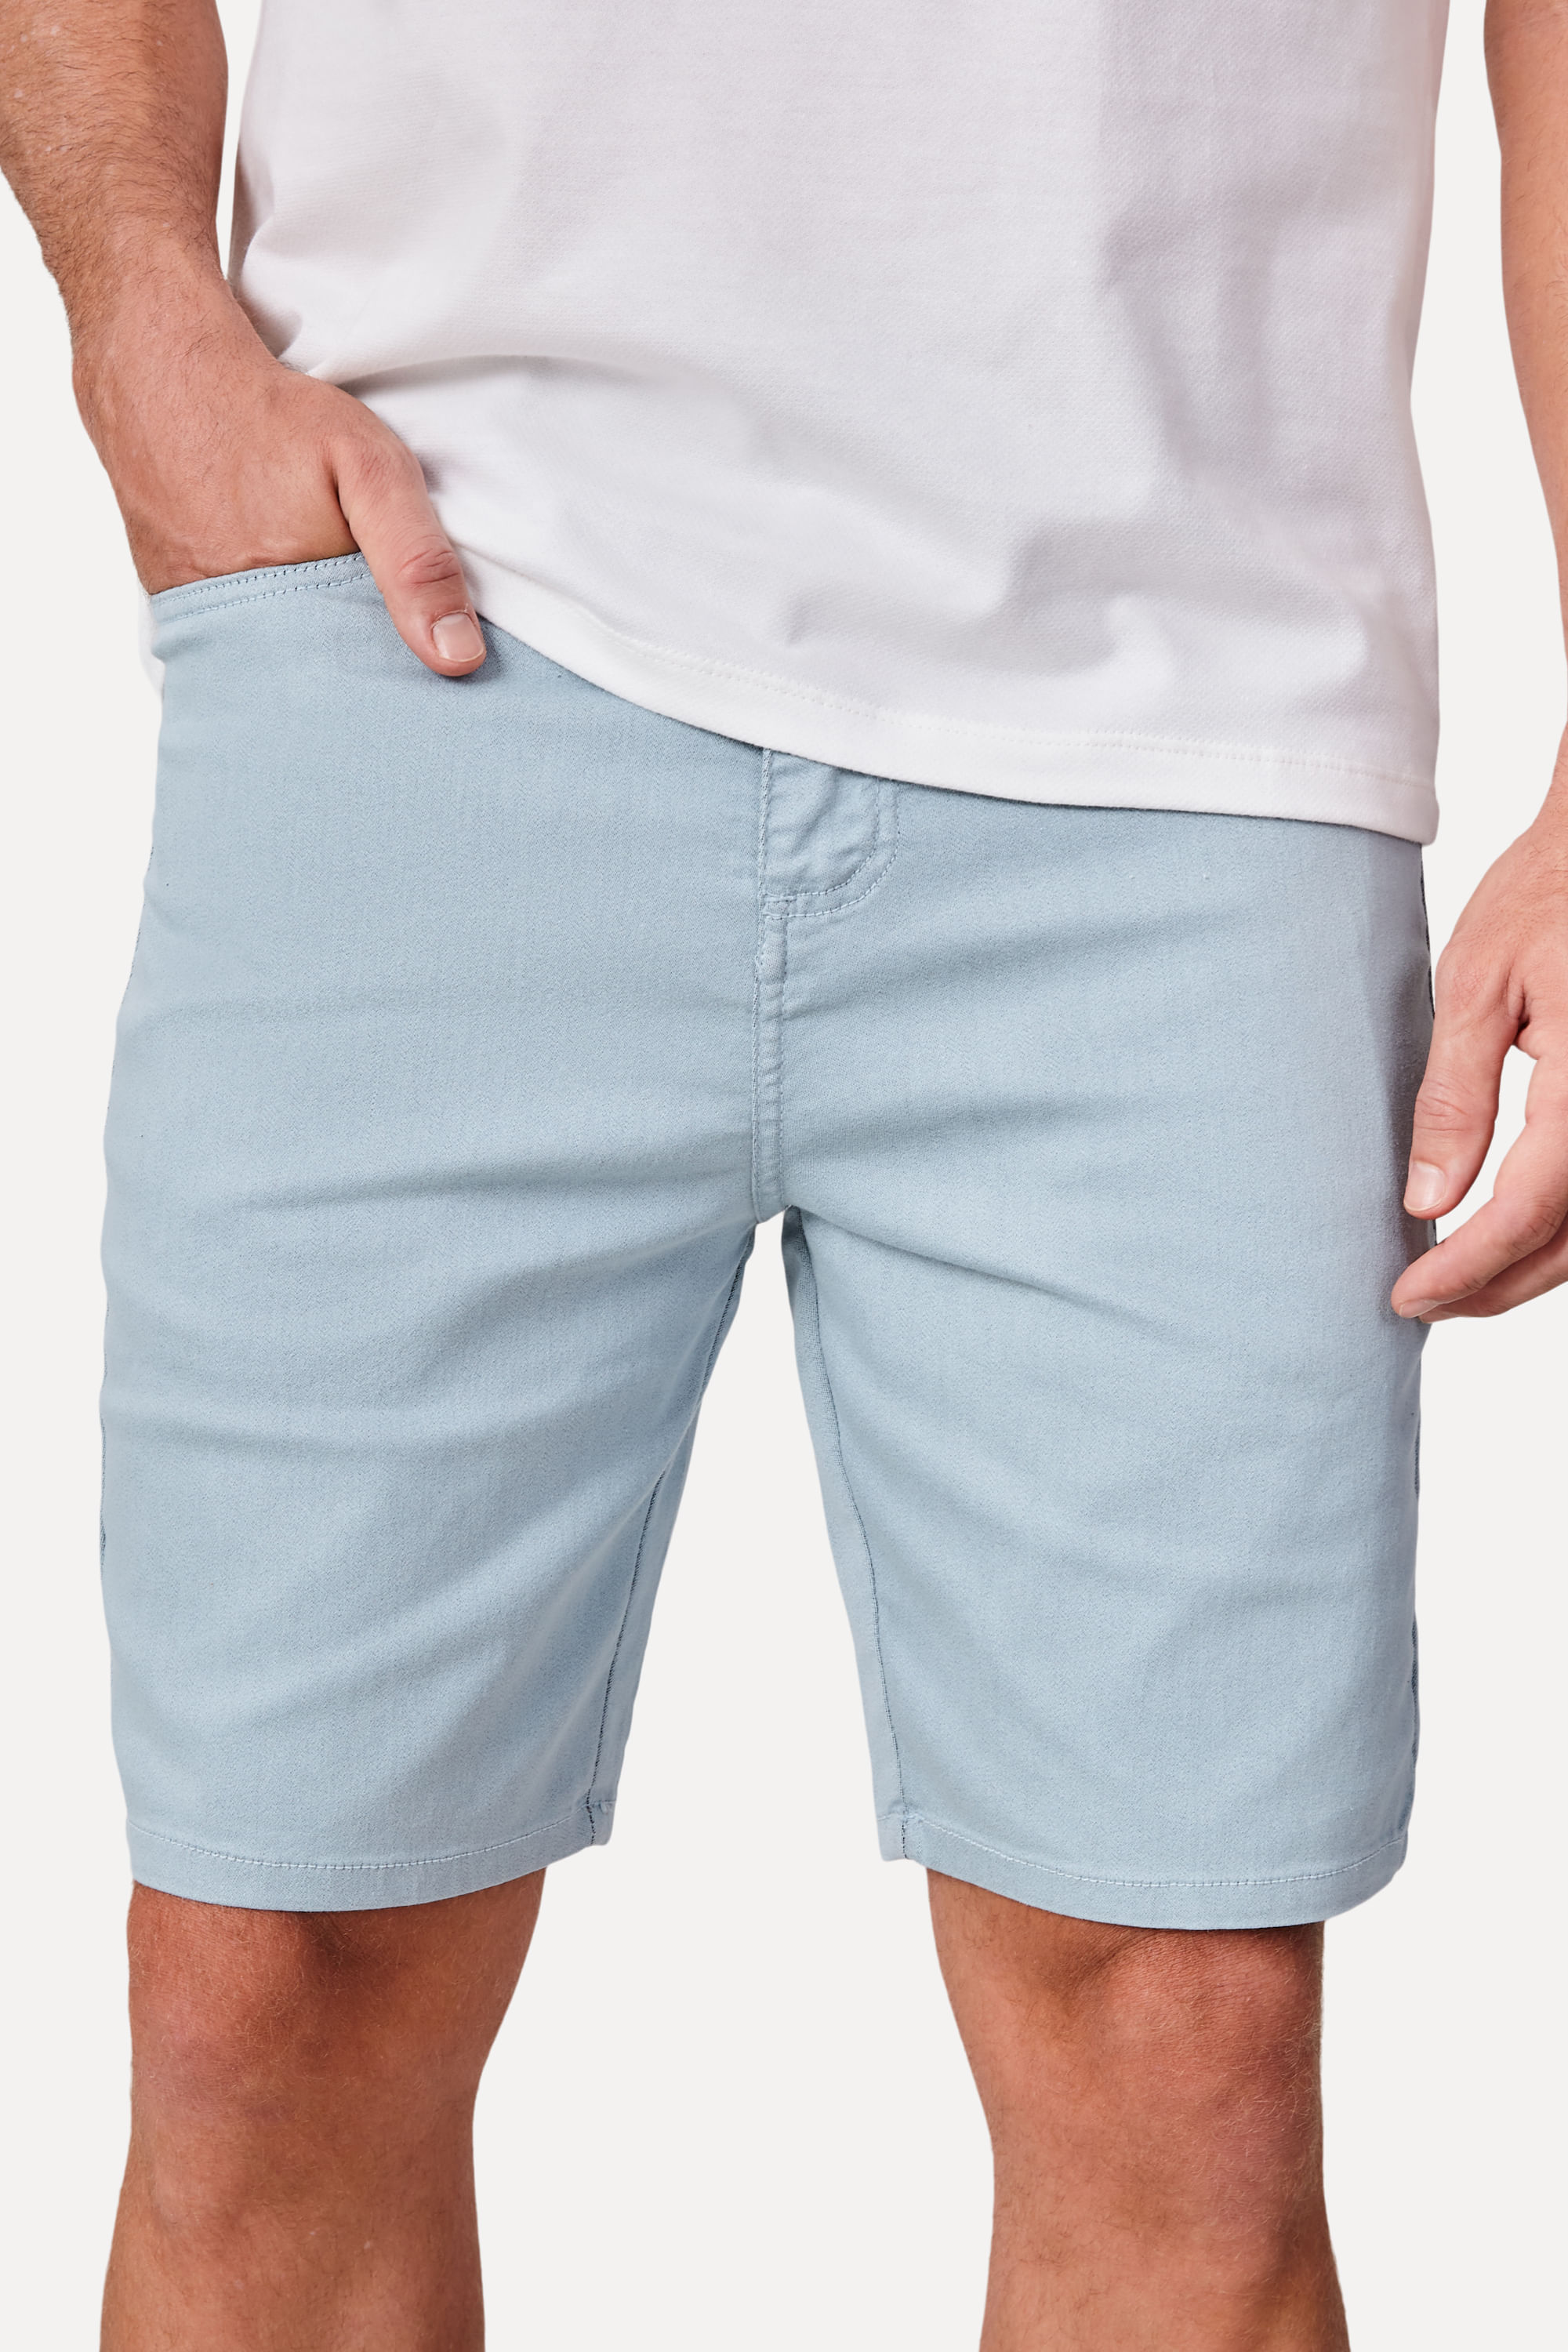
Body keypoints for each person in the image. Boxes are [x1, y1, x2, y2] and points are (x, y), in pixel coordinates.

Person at [2, 1, 1565, 2343]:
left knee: (1187, 2040)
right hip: (428, 630)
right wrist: (136, 301)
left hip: (1193, 714)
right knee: (268, 1988)